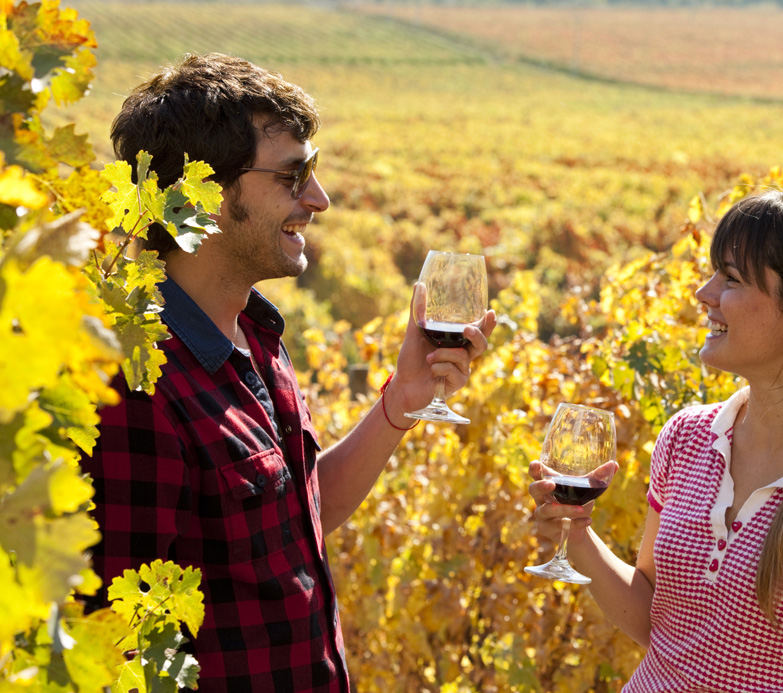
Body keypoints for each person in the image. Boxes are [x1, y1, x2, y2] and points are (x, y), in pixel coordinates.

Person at [82, 53, 495, 693]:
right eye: (293, 175)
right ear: (205, 196)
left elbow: (298, 514)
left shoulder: (255, 332)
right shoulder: (135, 384)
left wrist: (400, 404)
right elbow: (115, 649)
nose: (319, 199)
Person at [528, 187, 783, 692]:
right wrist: (578, 533)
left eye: (732, 279)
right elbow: (660, 624)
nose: (704, 292)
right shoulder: (687, 437)